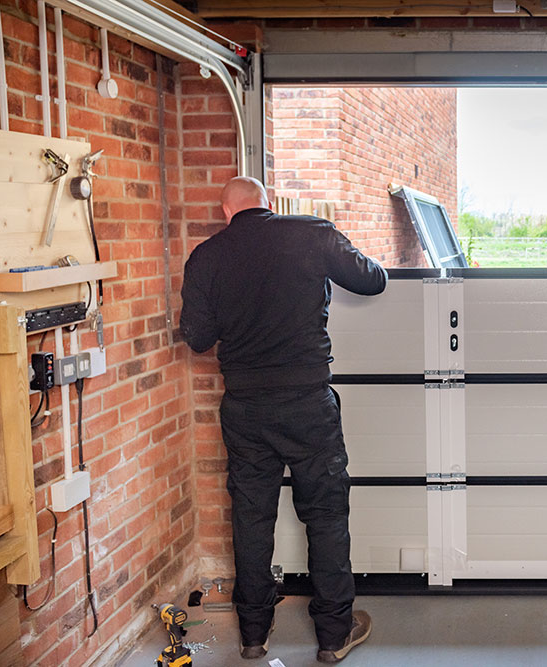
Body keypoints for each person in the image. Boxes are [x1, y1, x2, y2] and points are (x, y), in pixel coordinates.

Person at [180, 177, 387, 663]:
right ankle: (333, 635)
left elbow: (197, 338)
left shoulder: (207, 256)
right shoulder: (311, 233)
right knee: (327, 515)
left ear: (226, 211)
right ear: (267, 204)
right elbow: (372, 278)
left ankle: (253, 633)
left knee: (252, 517)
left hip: (246, 408)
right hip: (307, 404)